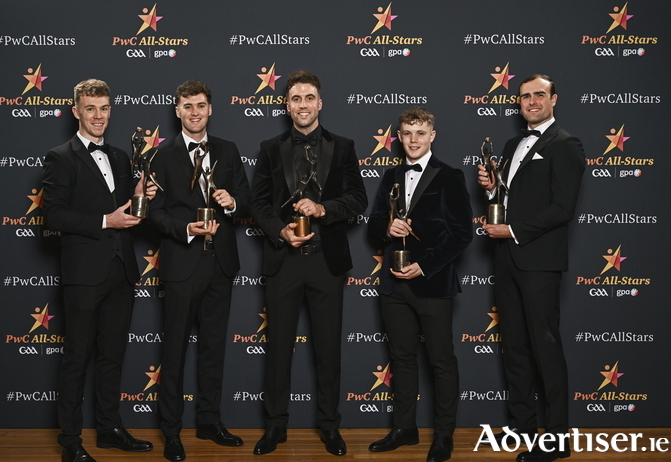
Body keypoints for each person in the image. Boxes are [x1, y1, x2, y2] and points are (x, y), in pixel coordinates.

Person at [250, 71, 367, 456]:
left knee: (328, 350)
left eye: (309, 97)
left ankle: (330, 426)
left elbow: (358, 200)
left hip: (326, 263)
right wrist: (280, 231)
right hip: (283, 261)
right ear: (287, 105)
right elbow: (259, 204)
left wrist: (323, 208)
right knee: (279, 348)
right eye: (296, 98)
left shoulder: (344, 146)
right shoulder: (269, 147)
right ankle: (275, 427)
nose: (302, 104)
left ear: (320, 103)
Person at [43, 79, 155, 462]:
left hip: (122, 272)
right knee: (77, 358)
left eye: (104, 108)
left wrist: (141, 196)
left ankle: (108, 429)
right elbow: (52, 214)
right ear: (76, 111)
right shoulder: (61, 156)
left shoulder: (122, 156)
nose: (98, 116)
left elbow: (129, 210)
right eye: (90, 108)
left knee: (112, 356)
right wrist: (106, 221)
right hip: (84, 275)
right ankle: (71, 442)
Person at [477, 74, 585, 462]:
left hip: (538, 261)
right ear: (518, 102)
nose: (532, 101)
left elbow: (563, 209)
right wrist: (491, 188)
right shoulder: (510, 144)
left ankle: (556, 439)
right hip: (506, 260)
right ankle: (522, 427)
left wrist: (513, 229)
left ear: (554, 98)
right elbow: (508, 197)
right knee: (515, 348)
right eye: (525, 96)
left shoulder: (566, 144)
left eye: (540, 95)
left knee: (545, 348)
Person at [149, 80, 250, 462]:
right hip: (181, 264)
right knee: (173, 351)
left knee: (213, 349)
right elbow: (154, 214)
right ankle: (171, 431)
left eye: (201, 105)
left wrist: (232, 200)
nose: (195, 112)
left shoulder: (228, 150)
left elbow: (249, 202)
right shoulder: (162, 156)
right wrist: (185, 229)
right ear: (177, 111)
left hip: (220, 265)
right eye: (188, 106)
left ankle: (209, 421)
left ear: (211, 109)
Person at [367, 107, 473, 462]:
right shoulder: (390, 175)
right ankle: (404, 429)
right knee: (402, 359)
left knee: (441, 361)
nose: (413, 140)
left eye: (420, 133)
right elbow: (372, 226)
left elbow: (461, 235)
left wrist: (423, 266)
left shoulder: (450, 176)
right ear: (398, 137)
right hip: (393, 287)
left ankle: (443, 436)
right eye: (407, 133)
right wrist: (386, 228)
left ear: (432, 135)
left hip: (432, 284)